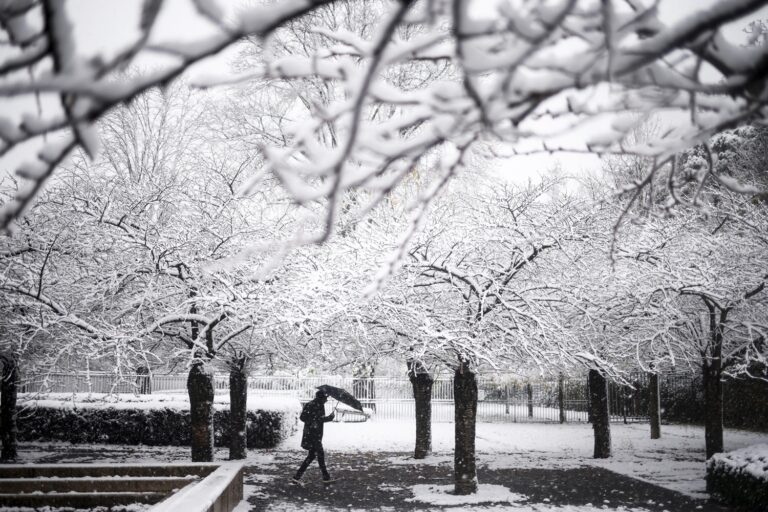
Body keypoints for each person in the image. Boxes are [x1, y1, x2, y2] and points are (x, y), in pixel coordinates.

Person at [292, 389, 336, 485]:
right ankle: (326, 477)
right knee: (320, 454)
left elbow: (316, 419)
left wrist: (327, 418)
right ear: (321, 397)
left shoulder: (317, 404)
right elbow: (304, 417)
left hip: (314, 434)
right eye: (325, 398)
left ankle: (297, 477)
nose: (326, 400)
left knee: (312, 456)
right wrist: (327, 418)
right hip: (313, 435)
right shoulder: (313, 405)